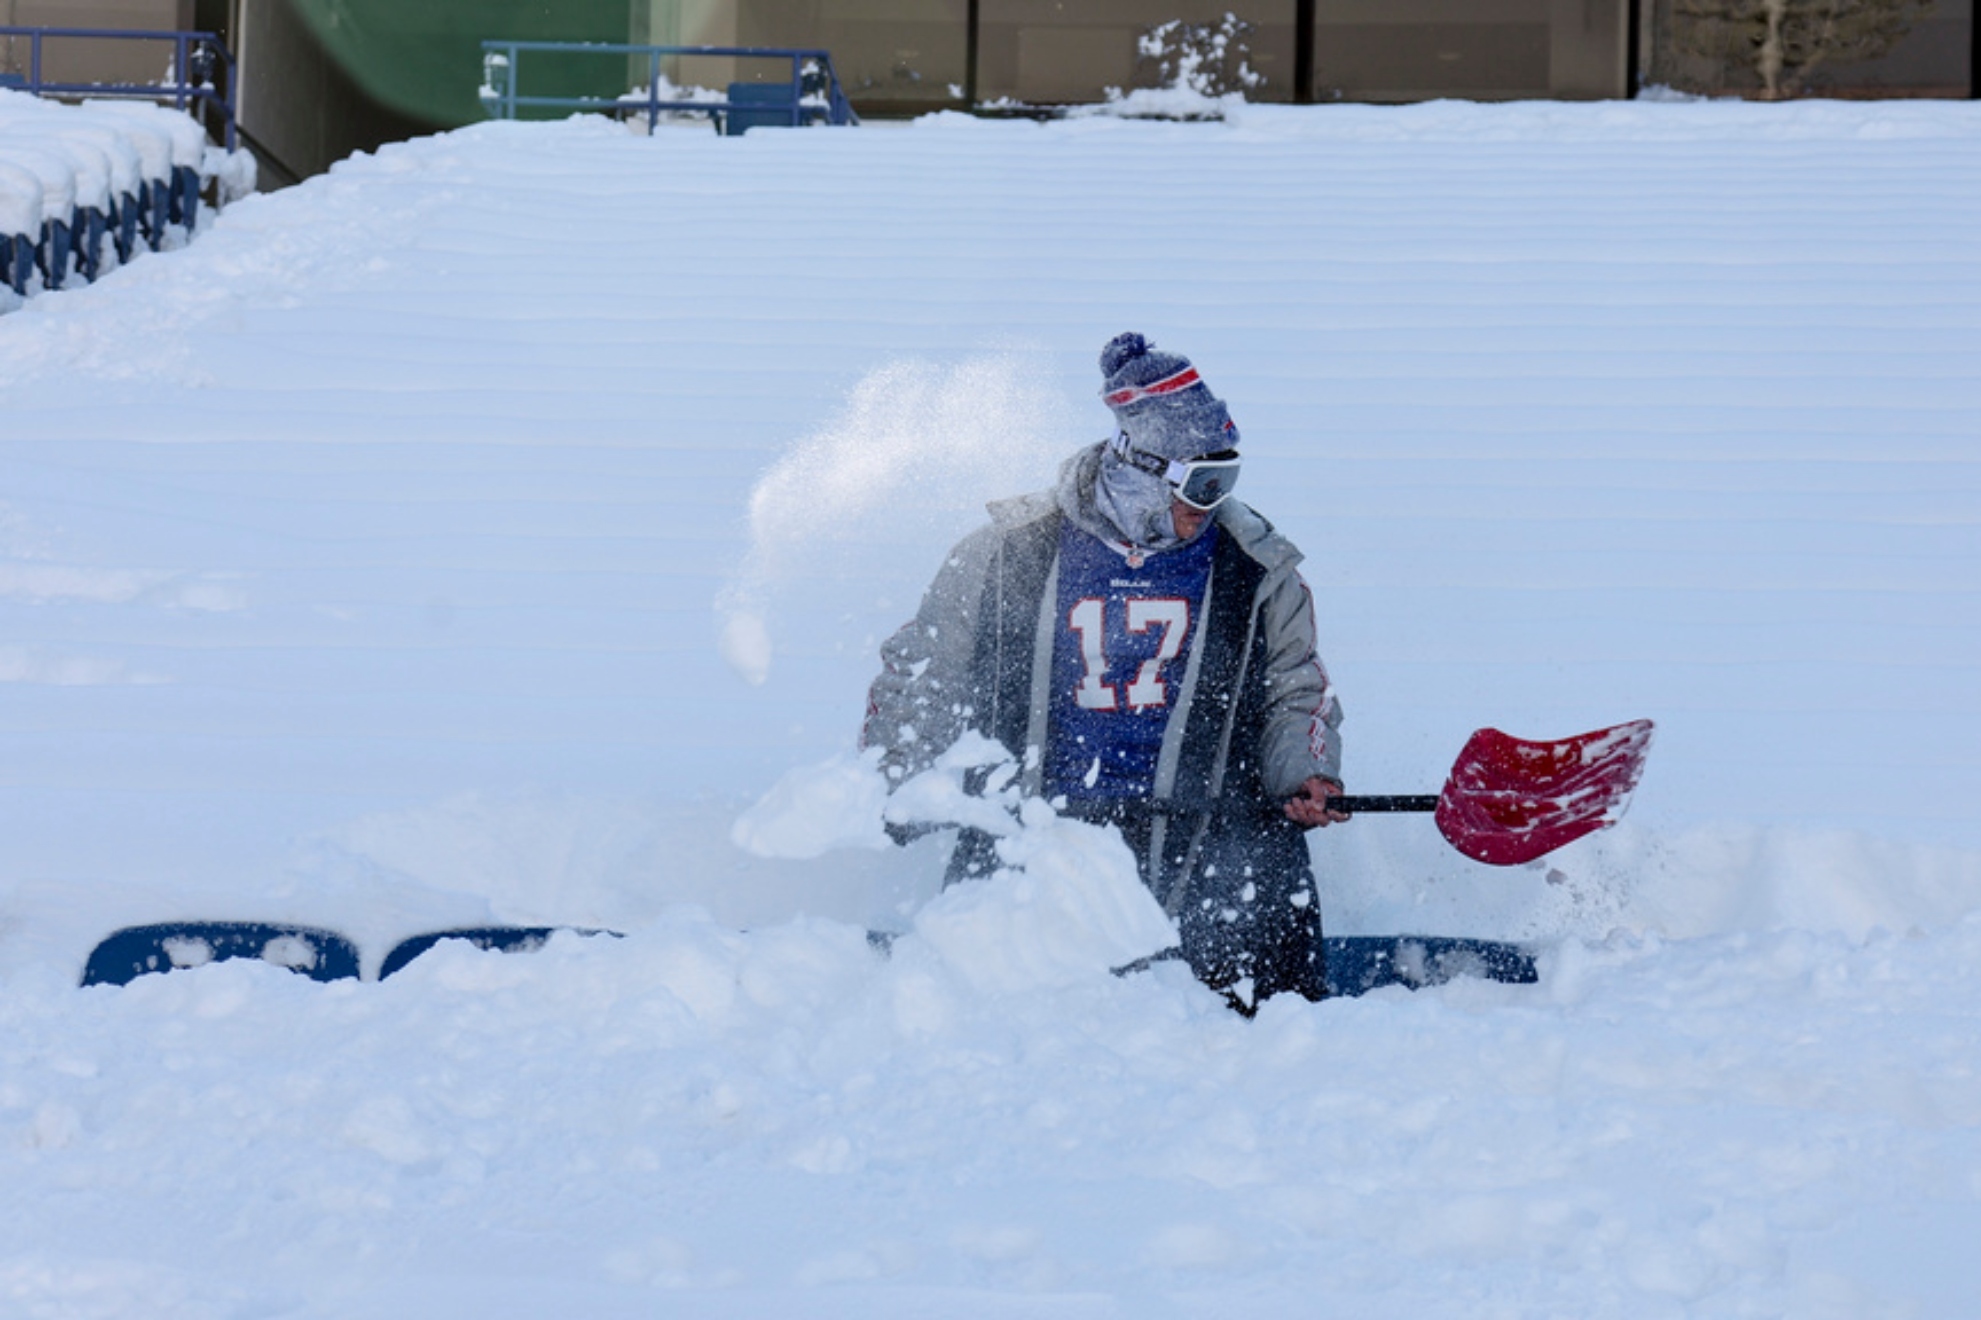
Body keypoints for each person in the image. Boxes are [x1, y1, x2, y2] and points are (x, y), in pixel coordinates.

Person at [862, 332, 1345, 1011]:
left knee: (1243, 1045)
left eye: (1225, 480)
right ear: (1140, 469)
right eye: (1200, 482)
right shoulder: (1008, 553)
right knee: (1004, 1035)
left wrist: (1303, 774)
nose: (1209, 504)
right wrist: (900, 776)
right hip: (1035, 839)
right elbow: (925, 671)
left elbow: (1296, 690)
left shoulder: (1255, 569)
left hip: (1207, 843)